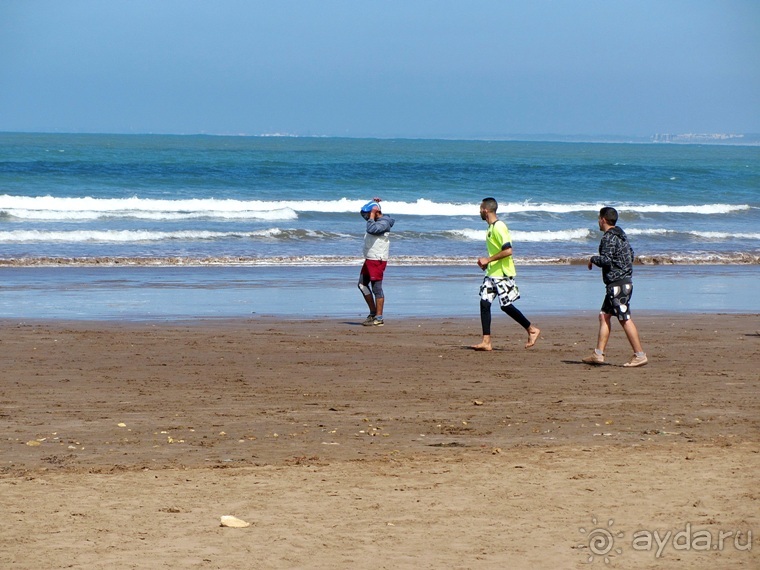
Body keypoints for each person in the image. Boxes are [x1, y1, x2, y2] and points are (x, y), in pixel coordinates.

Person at [471, 197, 540, 350]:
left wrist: (488, 259)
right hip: (492, 273)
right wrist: (487, 263)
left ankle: (532, 329)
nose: (479, 211)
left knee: (506, 305)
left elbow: (508, 250)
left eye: (480, 208)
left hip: (502, 273)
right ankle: (486, 342)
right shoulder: (490, 228)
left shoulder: (499, 226)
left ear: (486, 210)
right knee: (484, 303)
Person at [583, 206, 648, 367]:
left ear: (603, 219)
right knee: (604, 316)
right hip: (621, 282)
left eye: (599, 218)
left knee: (624, 318)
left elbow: (606, 260)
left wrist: (592, 259)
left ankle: (639, 354)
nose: (598, 222)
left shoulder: (608, 238)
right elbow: (630, 255)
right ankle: (598, 354)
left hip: (618, 284)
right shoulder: (621, 235)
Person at [358, 197, 395, 327]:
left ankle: (379, 318)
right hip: (370, 258)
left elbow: (372, 229)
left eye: (368, 215)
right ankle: (373, 313)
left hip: (377, 259)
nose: (367, 218)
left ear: (376, 213)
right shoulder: (377, 219)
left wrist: (373, 213)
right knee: (362, 285)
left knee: (376, 288)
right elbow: (367, 219)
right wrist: (374, 204)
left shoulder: (383, 223)